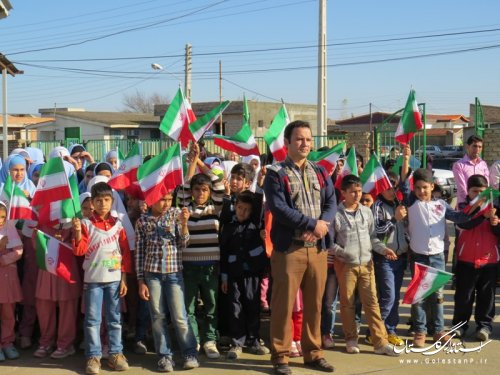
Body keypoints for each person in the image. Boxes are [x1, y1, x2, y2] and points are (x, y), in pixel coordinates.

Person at [263, 120, 336, 375]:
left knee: (315, 305)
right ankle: (281, 357)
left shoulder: (321, 172)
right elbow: (279, 209)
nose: (305, 144)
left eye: (308, 139)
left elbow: (331, 202)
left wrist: (322, 224)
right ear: (287, 143)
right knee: (283, 305)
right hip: (289, 250)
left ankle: (313, 353)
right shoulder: (275, 173)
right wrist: (311, 224)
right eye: (299, 139)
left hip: (317, 249)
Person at [400, 145, 478, 348]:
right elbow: (403, 186)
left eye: (424, 187)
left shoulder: (442, 205)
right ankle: (419, 330)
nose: (420, 191)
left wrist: (478, 205)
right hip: (418, 256)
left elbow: (460, 218)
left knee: (438, 296)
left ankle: (438, 330)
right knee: (419, 296)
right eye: (417, 188)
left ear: (432, 186)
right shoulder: (412, 203)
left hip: (437, 257)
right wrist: (406, 159)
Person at [330, 174, 399, 357]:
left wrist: (384, 249)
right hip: (346, 266)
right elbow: (329, 243)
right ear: (343, 192)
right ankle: (351, 339)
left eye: (359, 191)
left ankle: (380, 342)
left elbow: (373, 238)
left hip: (367, 264)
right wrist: (345, 254)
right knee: (347, 304)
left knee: (372, 304)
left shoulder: (366, 212)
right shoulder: (335, 214)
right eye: (352, 192)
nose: (357, 195)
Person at [72, 182, 132, 375]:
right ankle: (93, 356)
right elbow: (79, 250)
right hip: (93, 281)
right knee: (92, 320)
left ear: (112, 201)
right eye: (98, 200)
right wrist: (78, 232)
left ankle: (116, 353)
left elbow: (124, 254)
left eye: (106, 200)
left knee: (115, 318)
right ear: (93, 202)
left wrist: (123, 279)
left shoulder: (118, 225)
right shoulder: (86, 224)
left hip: (114, 280)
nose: (103, 204)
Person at [135, 193, 199, 372]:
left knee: (180, 315)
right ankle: (165, 356)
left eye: (169, 199)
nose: (166, 203)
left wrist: (184, 224)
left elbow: (184, 242)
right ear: (151, 199)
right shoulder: (142, 221)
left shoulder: (176, 214)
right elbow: (139, 252)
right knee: (157, 316)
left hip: (174, 273)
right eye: (162, 199)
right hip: (152, 274)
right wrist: (141, 280)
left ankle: (189, 353)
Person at [220, 190, 269, 359]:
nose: (243, 212)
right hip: (234, 274)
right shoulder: (228, 227)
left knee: (252, 305)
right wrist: (224, 277)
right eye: (240, 208)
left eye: (247, 209)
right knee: (235, 307)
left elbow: (259, 198)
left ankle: (253, 340)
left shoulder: (256, 226)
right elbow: (224, 254)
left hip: (252, 274)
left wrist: (263, 237)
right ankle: (237, 342)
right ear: (235, 207)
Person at [452, 175, 499, 341]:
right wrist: (482, 216)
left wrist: (495, 224)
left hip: (489, 260)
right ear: (468, 192)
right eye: (475, 191)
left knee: (487, 297)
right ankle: (460, 325)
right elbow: (464, 224)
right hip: (466, 259)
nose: (479, 195)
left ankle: (484, 326)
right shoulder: (463, 207)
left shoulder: (495, 206)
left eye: (482, 191)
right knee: (464, 296)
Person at [371, 171, 408, 346]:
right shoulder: (377, 206)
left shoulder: (399, 204)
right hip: (384, 258)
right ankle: (374, 331)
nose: (392, 191)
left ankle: (390, 329)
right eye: (388, 187)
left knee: (395, 296)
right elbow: (378, 232)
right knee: (388, 297)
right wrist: (394, 218)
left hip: (400, 257)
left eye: (394, 187)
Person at [0, 202, 23, 361]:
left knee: (8, 312)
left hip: (8, 278)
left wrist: (3, 258)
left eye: (3, 216)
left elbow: (18, 250)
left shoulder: (10, 228)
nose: (0, 220)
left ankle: (7, 342)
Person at [452, 135, 489, 205]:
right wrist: (471, 204)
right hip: (465, 204)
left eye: (480, 147)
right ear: (468, 147)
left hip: (482, 204)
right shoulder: (459, 165)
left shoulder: (483, 164)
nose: (477, 149)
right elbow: (462, 188)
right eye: (474, 146)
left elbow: (487, 185)